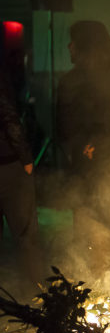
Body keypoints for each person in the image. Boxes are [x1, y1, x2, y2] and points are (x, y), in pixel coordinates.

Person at [56, 20, 110, 275]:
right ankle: (98, 292)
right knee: (93, 236)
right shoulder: (70, 82)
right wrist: (91, 140)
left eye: (74, 41)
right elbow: (64, 126)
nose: (69, 46)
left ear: (88, 45)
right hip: (88, 169)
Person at [0, 64, 44, 295]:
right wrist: (26, 158)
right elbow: (8, 116)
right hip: (8, 165)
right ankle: (38, 294)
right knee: (26, 234)